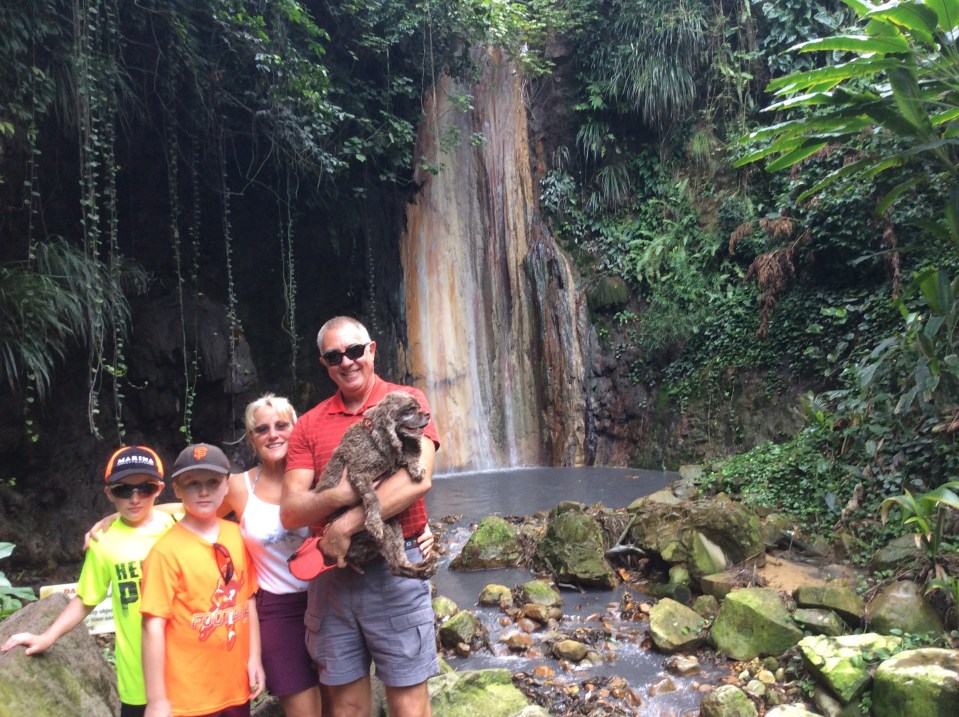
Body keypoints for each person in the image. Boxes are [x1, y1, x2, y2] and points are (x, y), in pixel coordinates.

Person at [281, 316, 440, 717]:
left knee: (409, 704)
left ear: (372, 350)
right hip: (332, 578)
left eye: (355, 351)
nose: (347, 362)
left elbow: (417, 479)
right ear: (324, 363)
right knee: (345, 706)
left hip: (394, 567)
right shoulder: (309, 425)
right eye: (335, 356)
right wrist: (337, 493)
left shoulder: (407, 400)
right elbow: (290, 509)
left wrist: (344, 525)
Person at [1, 445, 175, 717]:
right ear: (109, 493)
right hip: (137, 675)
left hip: (185, 666)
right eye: (122, 490)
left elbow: (211, 498)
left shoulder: (176, 526)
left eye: (146, 488)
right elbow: (86, 599)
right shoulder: (102, 542)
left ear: (160, 488)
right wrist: (46, 637)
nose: (135, 497)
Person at [140, 443, 264, 717]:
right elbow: (152, 627)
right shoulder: (165, 552)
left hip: (234, 687)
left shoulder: (237, 535)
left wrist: (254, 657)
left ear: (226, 486)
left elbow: (248, 602)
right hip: (189, 696)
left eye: (212, 482)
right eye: (192, 483)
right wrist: (157, 700)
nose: (204, 491)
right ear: (177, 489)